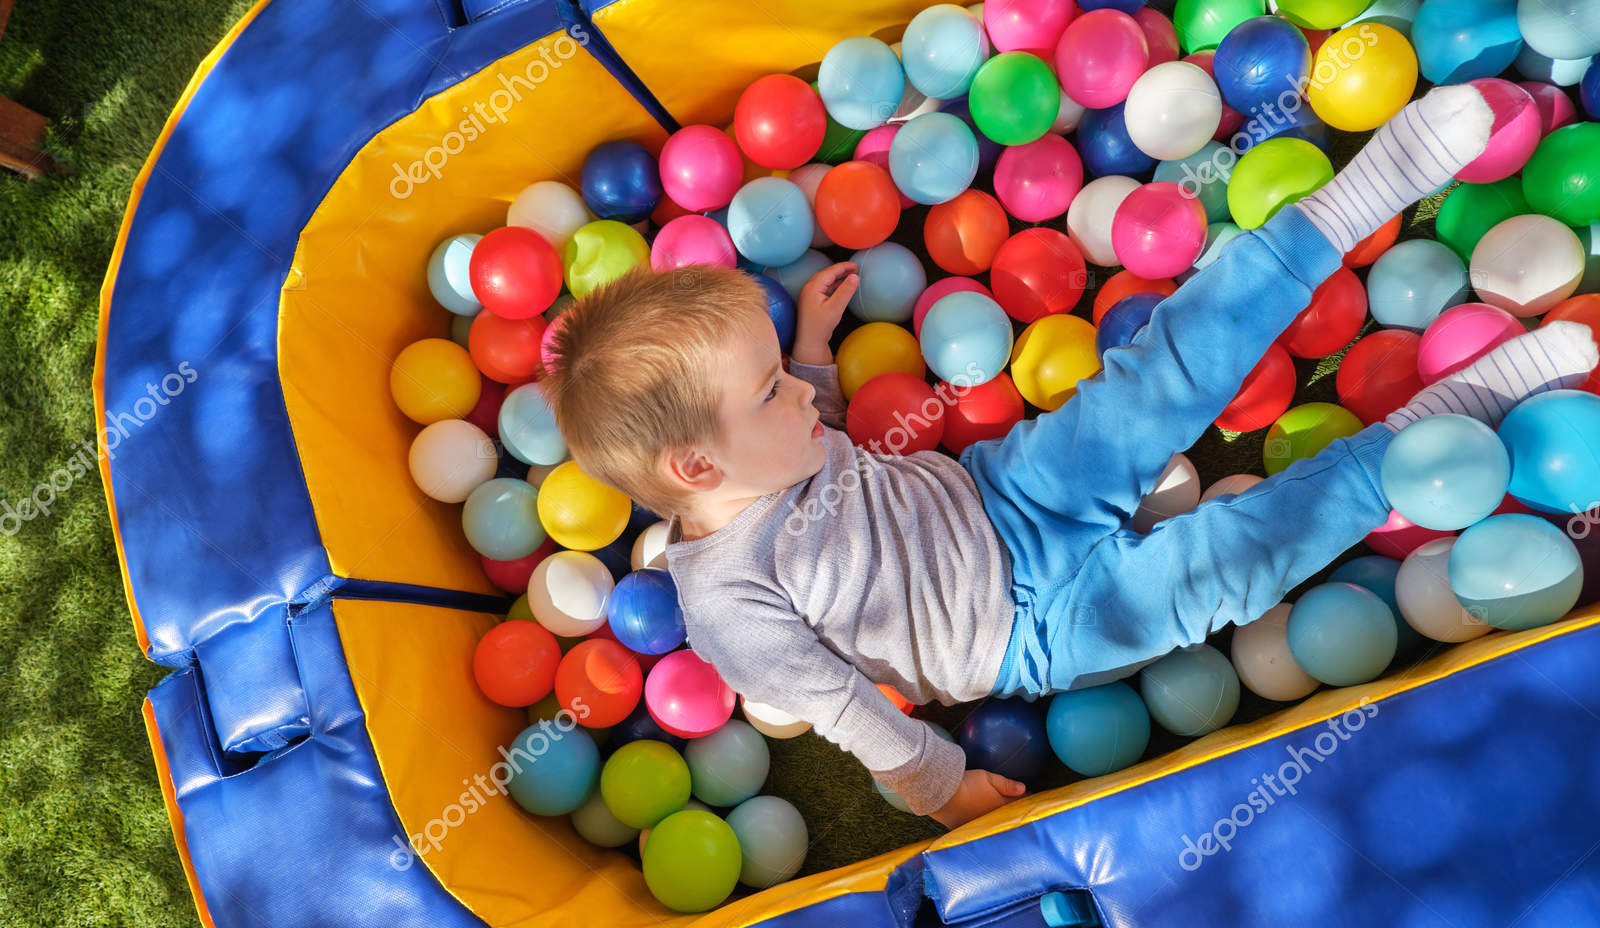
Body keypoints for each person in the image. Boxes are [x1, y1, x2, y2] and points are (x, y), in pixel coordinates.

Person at [540, 85, 1598, 829]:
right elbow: (848, 712)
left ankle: (1359, 196)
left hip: (1009, 492)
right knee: (1240, 557)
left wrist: (807, 359)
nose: (798, 402)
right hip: (1036, 637)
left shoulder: (762, 445)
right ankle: (1456, 415)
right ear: (693, 471)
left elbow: (797, 437)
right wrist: (943, 786)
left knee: (1158, 378)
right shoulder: (730, 606)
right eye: (768, 391)